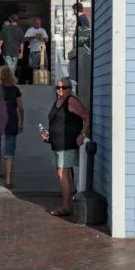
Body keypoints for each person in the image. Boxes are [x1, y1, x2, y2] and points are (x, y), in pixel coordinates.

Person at [44, 76, 89, 217]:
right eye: (58, 87)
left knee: (62, 173)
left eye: (64, 87)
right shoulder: (57, 101)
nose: (60, 90)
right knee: (62, 173)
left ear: (70, 89)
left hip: (67, 143)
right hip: (56, 143)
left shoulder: (71, 101)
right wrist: (48, 133)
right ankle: (66, 202)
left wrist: (82, 133)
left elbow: (86, 116)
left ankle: (66, 206)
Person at [0, 14, 25, 83]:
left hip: (7, 50)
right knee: (12, 68)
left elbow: (1, 40)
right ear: (17, 21)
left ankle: (9, 81)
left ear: (10, 20)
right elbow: (22, 43)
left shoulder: (5, 28)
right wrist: (21, 52)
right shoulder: (20, 30)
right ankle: (11, 81)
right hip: (15, 51)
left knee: (9, 67)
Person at [24, 17, 49, 82]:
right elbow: (25, 39)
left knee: (44, 65)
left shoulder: (43, 30)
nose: (39, 24)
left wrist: (42, 38)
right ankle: (36, 80)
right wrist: (34, 36)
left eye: (39, 23)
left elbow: (47, 40)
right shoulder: (30, 30)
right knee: (34, 66)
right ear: (34, 23)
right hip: (34, 50)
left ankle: (44, 80)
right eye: (37, 23)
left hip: (42, 50)